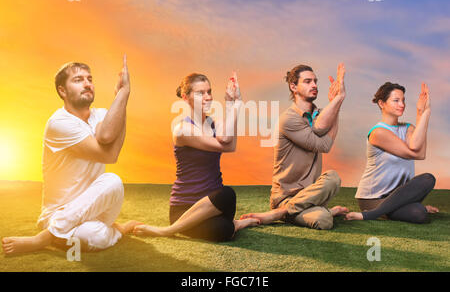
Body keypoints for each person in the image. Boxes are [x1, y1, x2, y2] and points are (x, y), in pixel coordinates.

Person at [2, 55, 140, 255]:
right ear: (62, 91)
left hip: (96, 209)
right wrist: (123, 95)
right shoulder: (59, 123)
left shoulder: (101, 115)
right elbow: (108, 153)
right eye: (78, 80)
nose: (87, 84)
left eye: (89, 79)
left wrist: (122, 97)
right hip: (58, 213)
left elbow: (106, 136)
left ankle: (47, 238)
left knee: (112, 182)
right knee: (95, 237)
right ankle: (115, 230)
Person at [133, 72, 260, 242]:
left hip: (214, 205)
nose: (207, 97)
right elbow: (227, 142)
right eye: (200, 93)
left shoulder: (216, 123)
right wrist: (236, 105)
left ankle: (234, 224)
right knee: (227, 195)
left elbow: (229, 143)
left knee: (225, 228)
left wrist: (232, 104)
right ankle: (167, 231)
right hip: (185, 209)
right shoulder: (183, 130)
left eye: (209, 92)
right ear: (186, 98)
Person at [240, 64, 349, 230]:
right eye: (307, 81)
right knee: (323, 220)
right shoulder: (288, 119)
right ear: (293, 87)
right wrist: (338, 100)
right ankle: (282, 211)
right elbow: (324, 144)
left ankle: (284, 213)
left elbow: (323, 126)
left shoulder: (320, 114)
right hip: (285, 197)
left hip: (310, 195)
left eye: (315, 81)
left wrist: (336, 104)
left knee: (333, 178)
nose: (314, 85)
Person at [346, 82, 439, 223]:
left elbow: (419, 151)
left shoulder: (408, 128)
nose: (401, 104)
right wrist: (424, 114)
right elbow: (416, 152)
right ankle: (369, 214)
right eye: (396, 100)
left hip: (399, 196)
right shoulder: (378, 132)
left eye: (403, 100)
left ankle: (383, 211)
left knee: (419, 211)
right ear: (382, 103)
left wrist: (423, 112)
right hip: (373, 198)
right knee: (424, 191)